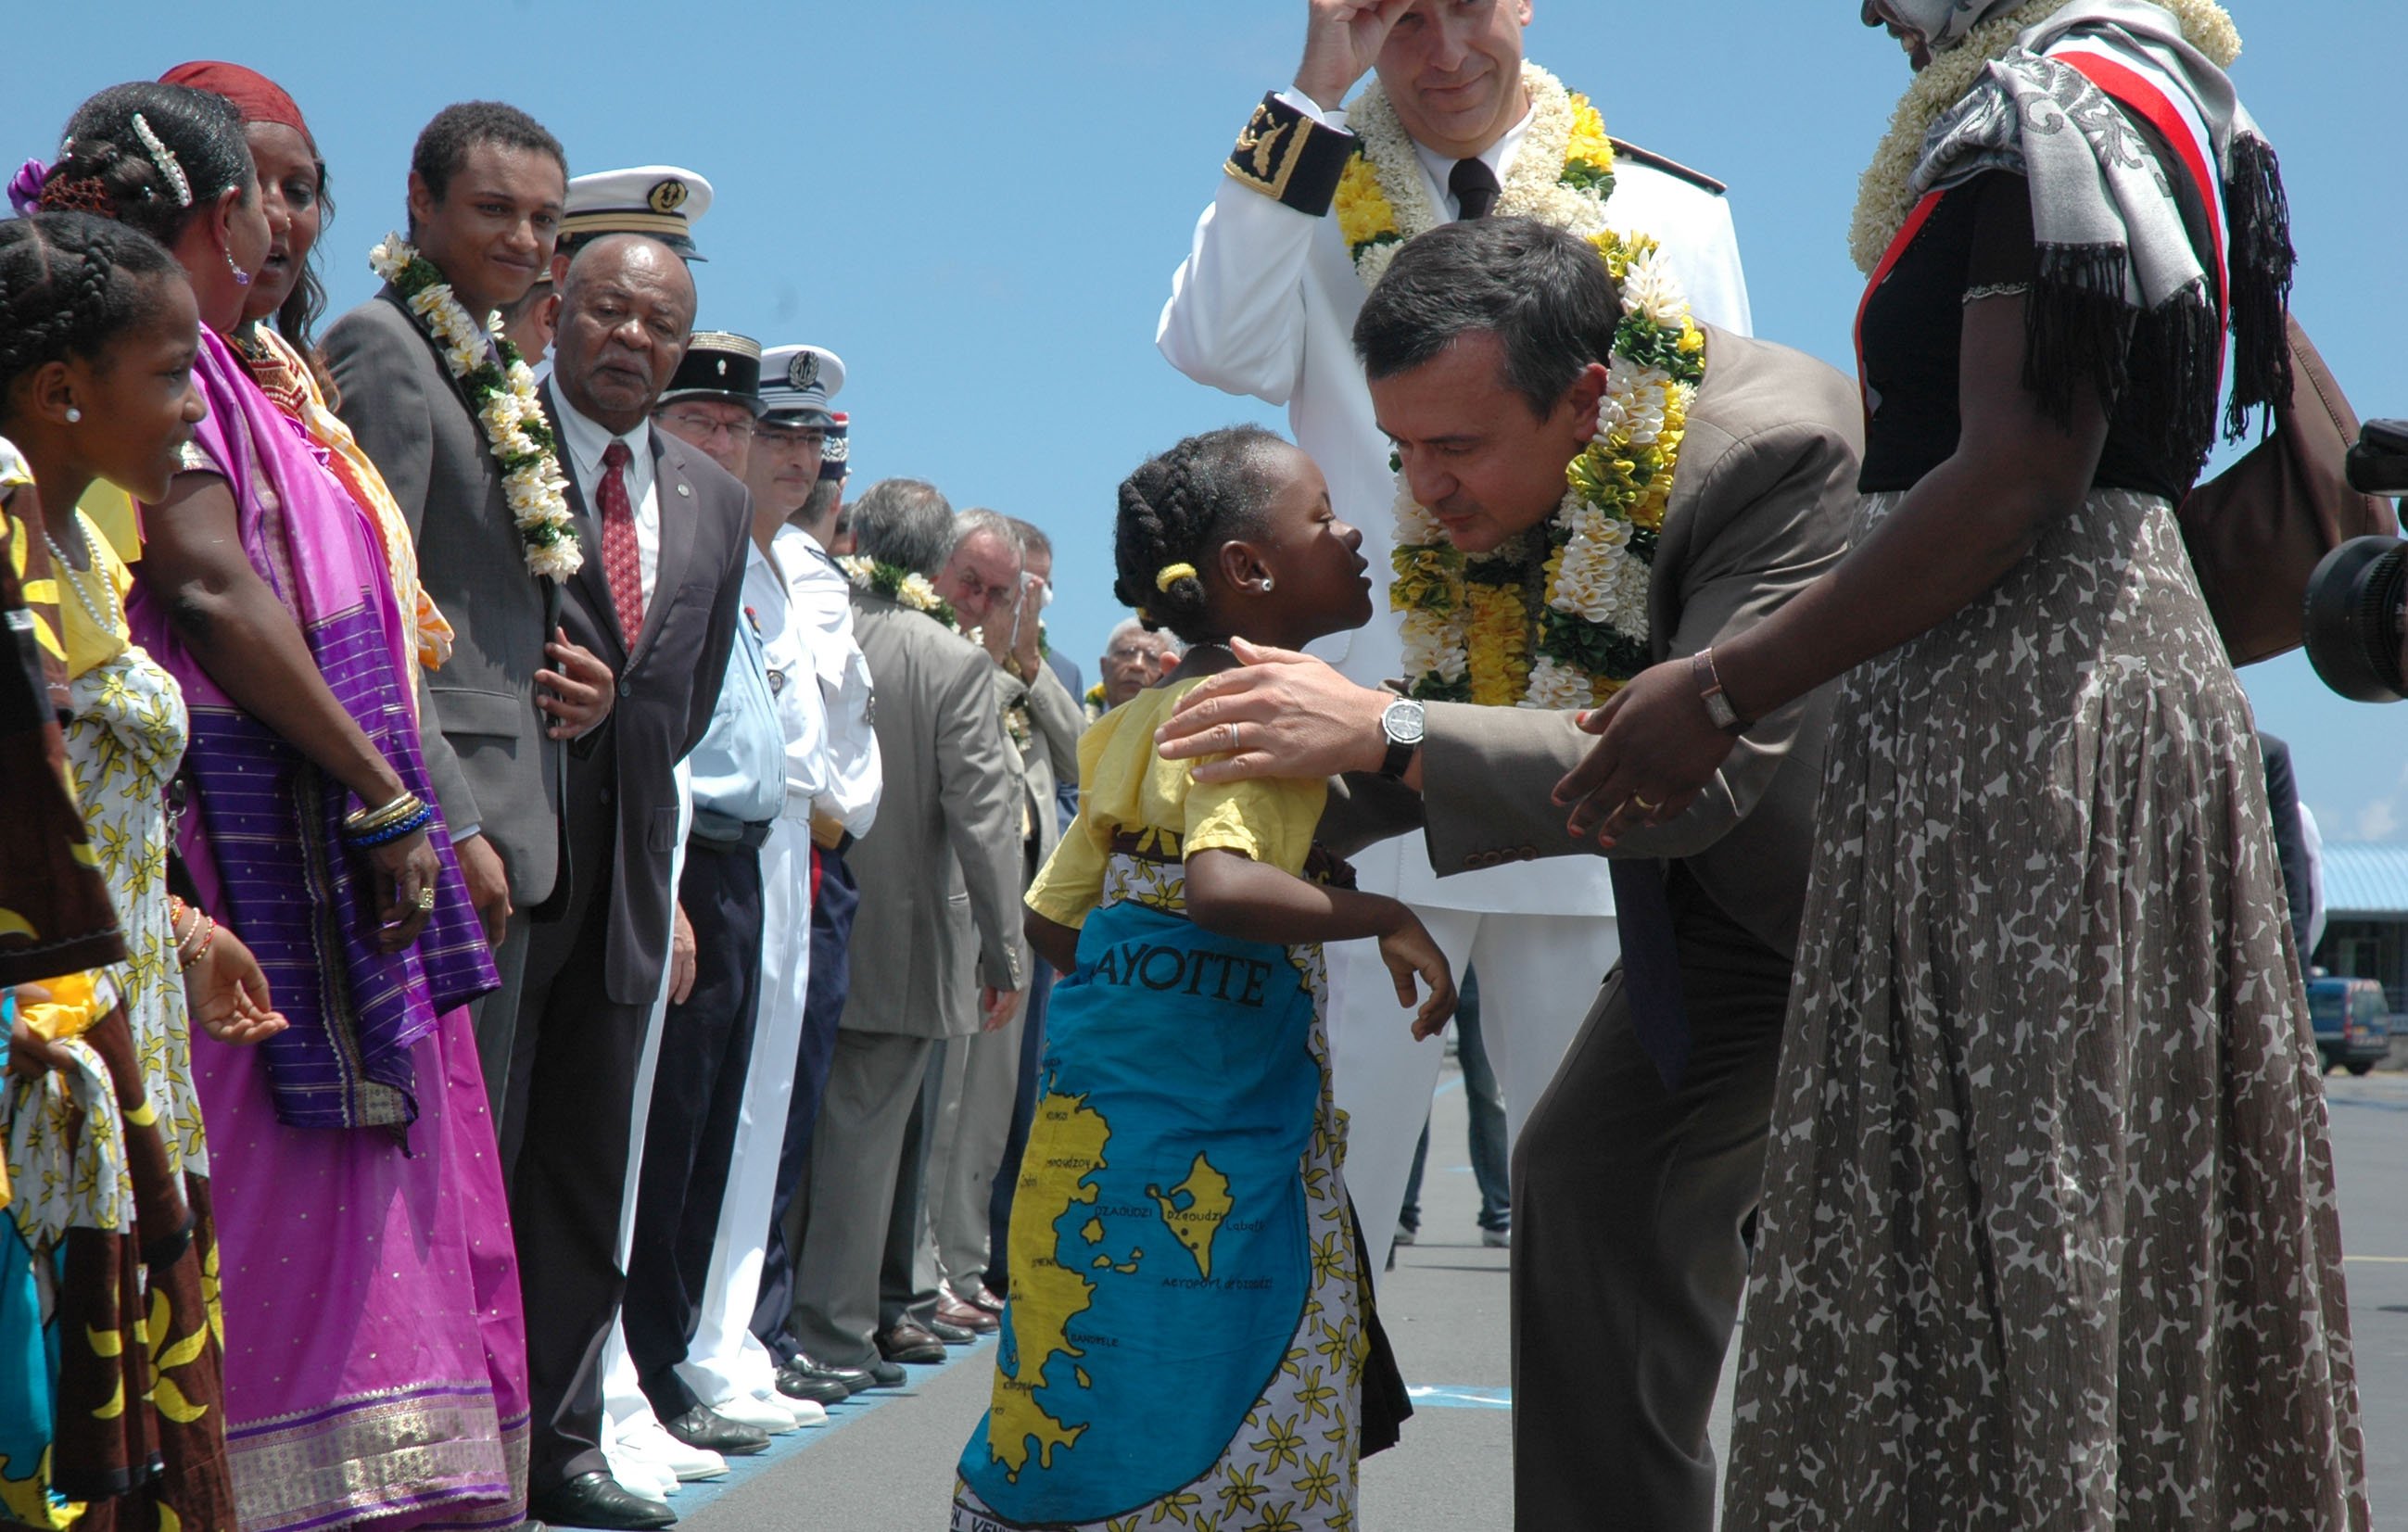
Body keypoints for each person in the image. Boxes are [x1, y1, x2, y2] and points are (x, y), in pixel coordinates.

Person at [1559, 2, 2365, 1522]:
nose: (1867, 7)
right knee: (2080, 1196)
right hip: (2089, 701)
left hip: (2017, 728)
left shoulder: (2037, 114)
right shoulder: (2177, 100)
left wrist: (1726, 686)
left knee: (2011, 1201)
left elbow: (2013, 471)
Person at [1154, 215, 1857, 1527]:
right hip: (1711, 905)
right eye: (1401, 448)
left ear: (1588, 397)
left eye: (1455, 448)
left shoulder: (1777, 450)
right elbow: (1467, 704)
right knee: (1585, 1181)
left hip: (1863, 912)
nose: (1423, 489)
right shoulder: (1519, 476)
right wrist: (1210, 835)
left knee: (1879, 1322)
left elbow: (1692, 770)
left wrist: (1379, 729)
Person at [1158, 0, 1757, 1277]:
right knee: (1315, 1222)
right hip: (1362, 786)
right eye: (1397, 16)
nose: (1435, 53)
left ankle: (1596, 1488)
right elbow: (1209, 345)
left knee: (1608, 1241)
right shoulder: (1312, 189)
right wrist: (1316, 81)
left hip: (1591, 775)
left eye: (1465, 11)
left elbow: (1723, 479)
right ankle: (1300, 1482)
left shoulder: (1672, 213)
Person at [38, 79, 529, 1532]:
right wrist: (387, 803)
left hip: (285, 873)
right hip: (219, 867)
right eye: (257, 190)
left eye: (306, 186)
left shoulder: (262, 378)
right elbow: (204, 586)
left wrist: (411, 806)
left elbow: (370, 617)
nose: (283, 219)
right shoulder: (143, 397)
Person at [952, 424, 1450, 1532]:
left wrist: (1154, 1001)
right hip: (1222, 1146)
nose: (1353, 528)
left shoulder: (1136, 716)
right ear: (1250, 569)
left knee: (1096, 1354)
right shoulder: (1269, 706)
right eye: (1323, 515)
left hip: (1104, 1129)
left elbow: (1058, 922)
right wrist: (1385, 914)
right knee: (1243, 1341)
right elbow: (1226, 886)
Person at [0, 214, 285, 1532]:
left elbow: (68, 826)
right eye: (172, 375)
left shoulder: (83, 552)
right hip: (42, 1093)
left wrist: (177, 924)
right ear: (61, 393)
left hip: (133, 1056)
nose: (196, 410)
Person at [510, 234, 753, 1532]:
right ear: (556, 312)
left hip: (623, 898)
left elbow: (687, 696)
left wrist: (618, 725)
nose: (630, 341)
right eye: (606, 311)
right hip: (500, 874)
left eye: (658, 325)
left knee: (585, 1179)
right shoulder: (491, 432)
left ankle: (557, 1445)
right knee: (475, 1164)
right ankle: (462, 1442)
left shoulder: (713, 498)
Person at [323, 100, 608, 1116]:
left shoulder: (489, 362)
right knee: (428, 1153)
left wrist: (588, 683)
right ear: (419, 201)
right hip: (448, 831)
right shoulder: (385, 344)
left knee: (484, 1156)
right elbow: (370, 606)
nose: (524, 240)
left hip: (524, 826)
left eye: (545, 220)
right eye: (495, 209)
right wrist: (453, 821)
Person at [616, 328, 820, 1456]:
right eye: (701, 422)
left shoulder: (735, 557)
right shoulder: (661, 537)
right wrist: (672, 888)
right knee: (663, 1128)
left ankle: (675, 1355)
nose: (726, 443)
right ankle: (641, 1368)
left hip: (744, 861)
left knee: (708, 1133)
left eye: (738, 427)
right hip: (685, 859)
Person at [786, 479, 1024, 1393]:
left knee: (801, 1138)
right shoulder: (949, 660)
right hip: (901, 942)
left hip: (797, 915)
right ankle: (837, 1335)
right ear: (932, 565)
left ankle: (804, 1323)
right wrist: (1002, 954)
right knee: (862, 1145)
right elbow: (986, 821)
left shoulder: (809, 618)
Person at [754, 348, 888, 1401]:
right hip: (754, 845)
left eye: (815, 444)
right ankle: (725, 1339)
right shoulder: (722, 552)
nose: (799, 461)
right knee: (733, 1107)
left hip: (824, 858)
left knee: (787, 1106)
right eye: (779, 436)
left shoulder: (815, 575)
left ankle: (756, 1329)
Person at [1090, 616, 1182, 719]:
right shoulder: (1076, 722)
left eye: (1152, 658)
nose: (1137, 665)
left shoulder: (1182, 727)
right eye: (1126, 653)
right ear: (1104, 666)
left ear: (1171, 672)